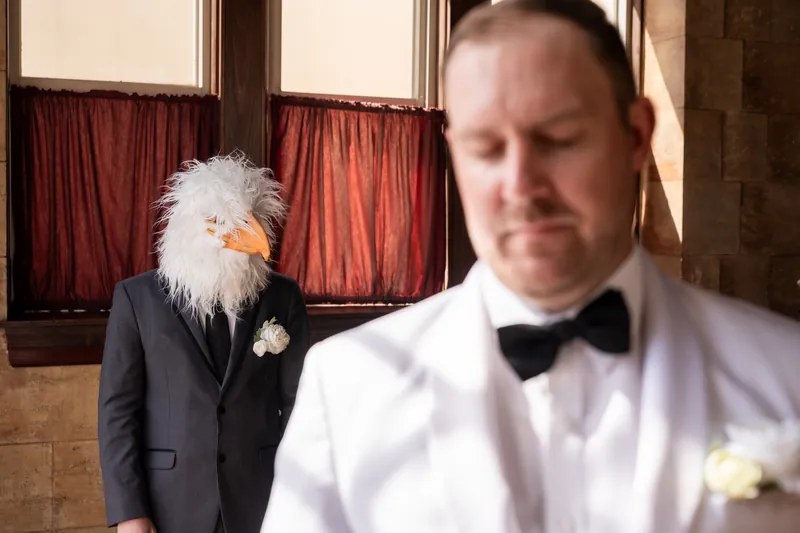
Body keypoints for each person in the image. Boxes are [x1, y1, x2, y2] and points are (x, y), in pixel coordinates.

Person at [261, 1, 800, 532]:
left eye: (558, 139)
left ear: (636, 136)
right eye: (487, 149)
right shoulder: (348, 386)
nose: (521, 185)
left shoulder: (786, 374)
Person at [98, 154, 311, 533]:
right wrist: (129, 511)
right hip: (169, 501)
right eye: (219, 222)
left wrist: (302, 495)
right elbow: (118, 412)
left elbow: (300, 405)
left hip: (262, 498)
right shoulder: (137, 298)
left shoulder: (283, 296)